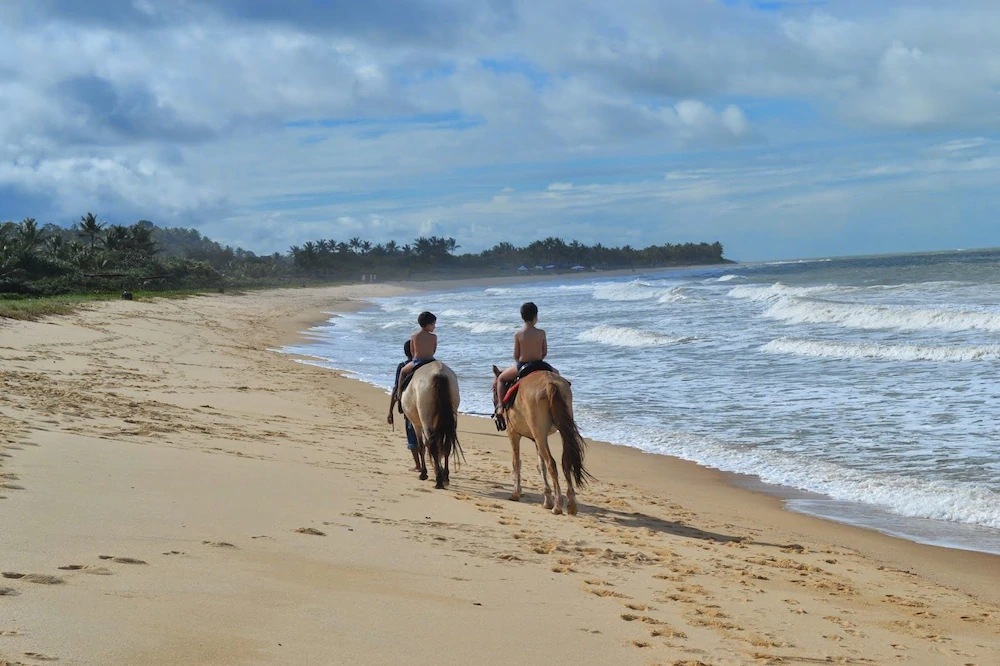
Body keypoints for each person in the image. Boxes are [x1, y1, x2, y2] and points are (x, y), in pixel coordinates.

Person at [494, 301, 549, 412]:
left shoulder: (518, 334)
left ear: (522, 317)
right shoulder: (541, 333)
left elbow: (516, 355)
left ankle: (500, 405)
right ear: (536, 316)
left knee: (501, 378)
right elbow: (544, 352)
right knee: (557, 376)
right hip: (540, 364)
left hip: (523, 365)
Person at [388, 340, 422, 471]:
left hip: (410, 407)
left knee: (412, 435)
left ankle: (418, 465)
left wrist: (390, 411)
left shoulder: (403, 366)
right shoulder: (425, 365)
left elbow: (397, 388)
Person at [396, 311, 437, 384]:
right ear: (428, 325)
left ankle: (398, 393)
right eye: (433, 324)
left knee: (402, 371)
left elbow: (412, 350)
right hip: (431, 361)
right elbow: (434, 350)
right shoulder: (434, 337)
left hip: (418, 362)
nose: (434, 326)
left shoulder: (414, 336)